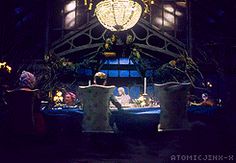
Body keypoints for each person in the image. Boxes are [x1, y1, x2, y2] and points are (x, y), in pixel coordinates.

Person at [6, 71, 45, 135]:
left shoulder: (11, 93)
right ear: (32, 82)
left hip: (13, 125)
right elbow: (37, 110)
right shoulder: (35, 94)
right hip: (31, 125)